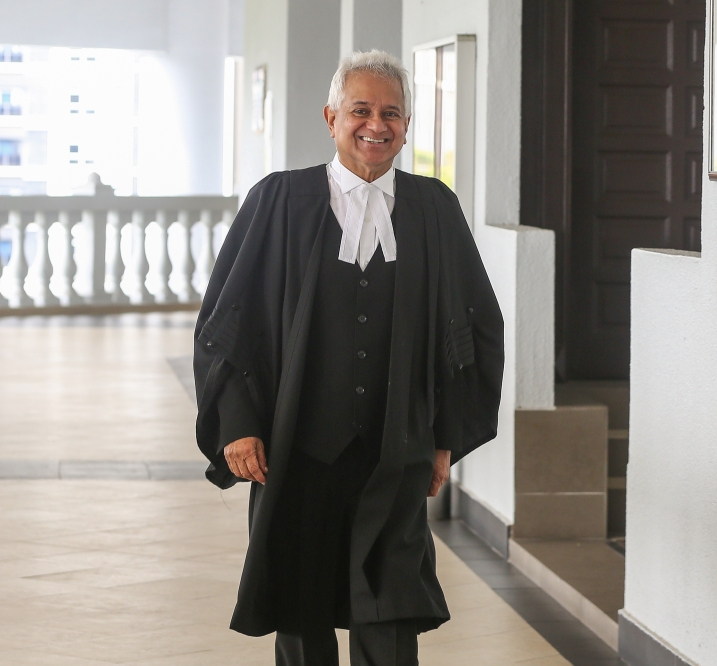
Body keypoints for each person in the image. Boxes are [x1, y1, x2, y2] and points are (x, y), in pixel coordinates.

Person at [194, 49, 503, 666]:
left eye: (391, 113)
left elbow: (472, 326)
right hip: (296, 447)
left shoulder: (434, 208)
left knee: (391, 612)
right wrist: (238, 424)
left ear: (406, 126)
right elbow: (229, 322)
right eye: (361, 110)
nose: (376, 125)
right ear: (331, 117)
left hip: (396, 449)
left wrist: (444, 439)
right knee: (300, 610)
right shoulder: (278, 200)